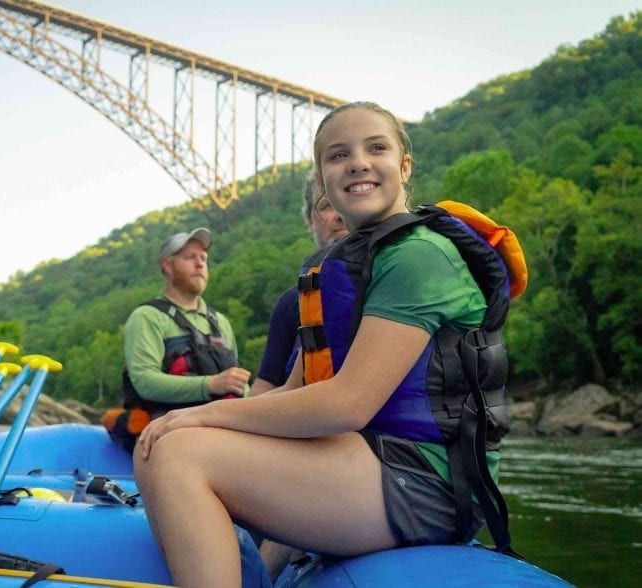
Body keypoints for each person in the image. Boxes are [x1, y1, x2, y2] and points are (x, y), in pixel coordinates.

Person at [134, 102, 521, 586]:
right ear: (323, 180)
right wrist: (181, 422)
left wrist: (202, 413)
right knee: (160, 446)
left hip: (427, 484)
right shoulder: (348, 268)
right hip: (369, 457)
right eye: (338, 155)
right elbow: (292, 396)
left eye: (375, 148)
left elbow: (348, 404)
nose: (357, 162)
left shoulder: (418, 256)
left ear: (404, 167)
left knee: (180, 454)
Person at [104, 227, 250, 451]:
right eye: (189, 257)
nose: (200, 264)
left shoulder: (220, 322)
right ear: (167, 265)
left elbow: (237, 386)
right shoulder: (147, 317)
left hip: (220, 427)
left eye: (204, 258)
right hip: (165, 429)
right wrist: (210, 384)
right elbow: (145, 381)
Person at [250, 169, 347, 396]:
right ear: (308, 220)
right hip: (295, 419)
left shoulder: (391, 278)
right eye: (326, 205)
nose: (340, 214)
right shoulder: (292, 303)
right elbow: (265, 384)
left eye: (346, 200)